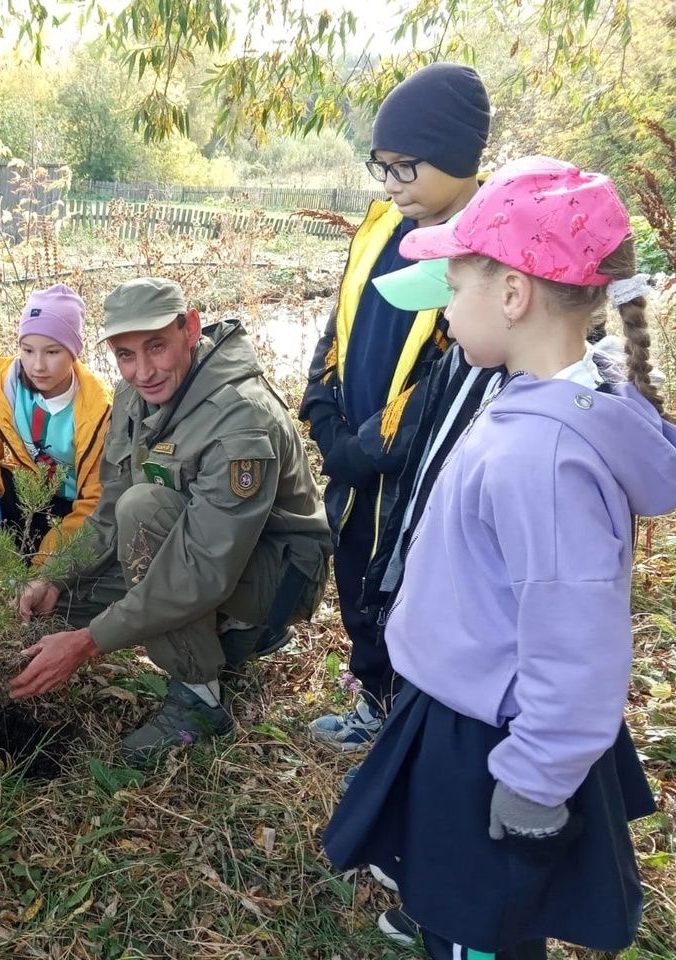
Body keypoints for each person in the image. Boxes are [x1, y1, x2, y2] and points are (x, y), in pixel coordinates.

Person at [323, 156, 676, 960]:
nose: (445, 312)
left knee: (482, 927)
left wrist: (535, 780)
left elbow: (575, 638)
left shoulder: (544, 457)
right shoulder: (535, 399)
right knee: (460, 907)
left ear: (513, 295)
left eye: (454, 288)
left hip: (496, 743)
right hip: (465, 708)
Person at [10, 277, 331, 764]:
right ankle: (228, 634)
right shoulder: (133, 397)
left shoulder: (239, 418)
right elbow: (107, 514)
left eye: (156, 346)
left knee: (143, 509)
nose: (143, 371)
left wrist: (88, 643)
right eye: (126, 354)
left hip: (275, 573)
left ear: (191, 329)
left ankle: (201, 695)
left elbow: (201, 570)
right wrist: (55, 576)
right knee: (60, 602)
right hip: (196, 545)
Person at [299, 62, 491, 751]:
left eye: (405, 168)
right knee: (355, 579)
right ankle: (374, 701)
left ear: (459, 157)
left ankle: (414, 725)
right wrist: (322, 409)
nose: (390, 185)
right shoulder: (382, 224)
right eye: (381, 167)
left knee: (407, 589)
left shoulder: (484, 247)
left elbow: (450, 371)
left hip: (415, 471)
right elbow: (342, 321)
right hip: (353, 452)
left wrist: (370, 445)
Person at [0, 284, 111, 564]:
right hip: (33, 495)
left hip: (75, 509)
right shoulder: (9, 389)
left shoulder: (97, 411)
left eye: (52, 352)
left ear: (74, 353)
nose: (37, 365)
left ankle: (41, 577)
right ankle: (12, 569)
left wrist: (45, 565)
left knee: (63, 585)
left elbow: (96, 500)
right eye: (27, 350)